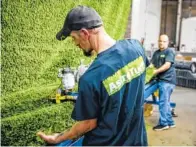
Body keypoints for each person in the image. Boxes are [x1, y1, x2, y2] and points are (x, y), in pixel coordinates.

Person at [37, 5, 148, 146]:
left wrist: (57, 138)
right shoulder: (136, 48)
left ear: (84, 33)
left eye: (73, 38)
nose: (75, 44)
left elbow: (87, 124)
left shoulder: (91, 77)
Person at [151, 34, 176, 131]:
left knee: (163, 102)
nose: (161, 43)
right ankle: (170, 122)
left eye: (164, 41)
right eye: (160, 41)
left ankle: (163, 123)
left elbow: (167, 65)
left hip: (167, 81)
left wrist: (155, 72)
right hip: (159, 80)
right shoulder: (156, 53)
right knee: (166, 102)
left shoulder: (169, 51)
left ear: (168, 42)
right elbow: (151, 65)